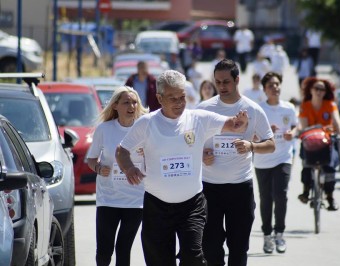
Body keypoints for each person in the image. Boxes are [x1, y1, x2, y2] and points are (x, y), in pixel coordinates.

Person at [115, 70, 250, 266]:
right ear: (160, 98)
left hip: (191, 205)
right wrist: (128, 168)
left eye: (182, 97)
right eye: (172, 98)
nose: (179, 102)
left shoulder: (198, 119)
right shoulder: (147, 123)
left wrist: (240, 122)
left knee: (193, 258)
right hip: (157, 206)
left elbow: (232, 124)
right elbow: (122, 151)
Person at [197, 59, 275, 266]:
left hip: (240, 187)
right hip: (209, 188)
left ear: (237, 80)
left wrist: (251, 146)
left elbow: (271, 144)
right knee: (210, 247)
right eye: (218, 82)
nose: (221, 87)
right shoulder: (204, 109)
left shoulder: (253, 109)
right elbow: (187, 143)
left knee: (239, 246)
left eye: (226, 82)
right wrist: (202, 155)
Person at [86, 86, 149, 266]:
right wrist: (98, 168)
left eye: (135, 102)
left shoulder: (144, 128)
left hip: (135, 199)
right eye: (126, 102)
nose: (132, 106)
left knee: (123, 248)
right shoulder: (104, 129)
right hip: (108, 198)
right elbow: (91, 159)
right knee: (104, 251)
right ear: (115, 106)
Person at [253, 72, 298, 254]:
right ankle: (267, 236)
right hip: (263, 160)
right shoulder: (258, 109)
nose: (275, 87)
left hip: (283, 157)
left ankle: (279, 233)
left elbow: (295, 126)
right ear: (264, 89)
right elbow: (252, 136)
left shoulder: (289, 108)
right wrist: (266, 133)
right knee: (266, 198)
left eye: (277, 84)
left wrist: (293, 134)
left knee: (281, 195)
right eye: (271, 85)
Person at [297, 77, 340, 211]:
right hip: (310, 141)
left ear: (326, 92)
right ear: (311, 90)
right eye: (316, 88)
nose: (319, 92)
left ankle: (330, 197)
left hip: (327, 141)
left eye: (322, 89)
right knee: (307, 165)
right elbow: (302, 124)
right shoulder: (305, 105)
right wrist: (300, 131)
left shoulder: (330, 104)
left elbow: (337, 120)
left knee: (330, 167)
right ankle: (306, 191)